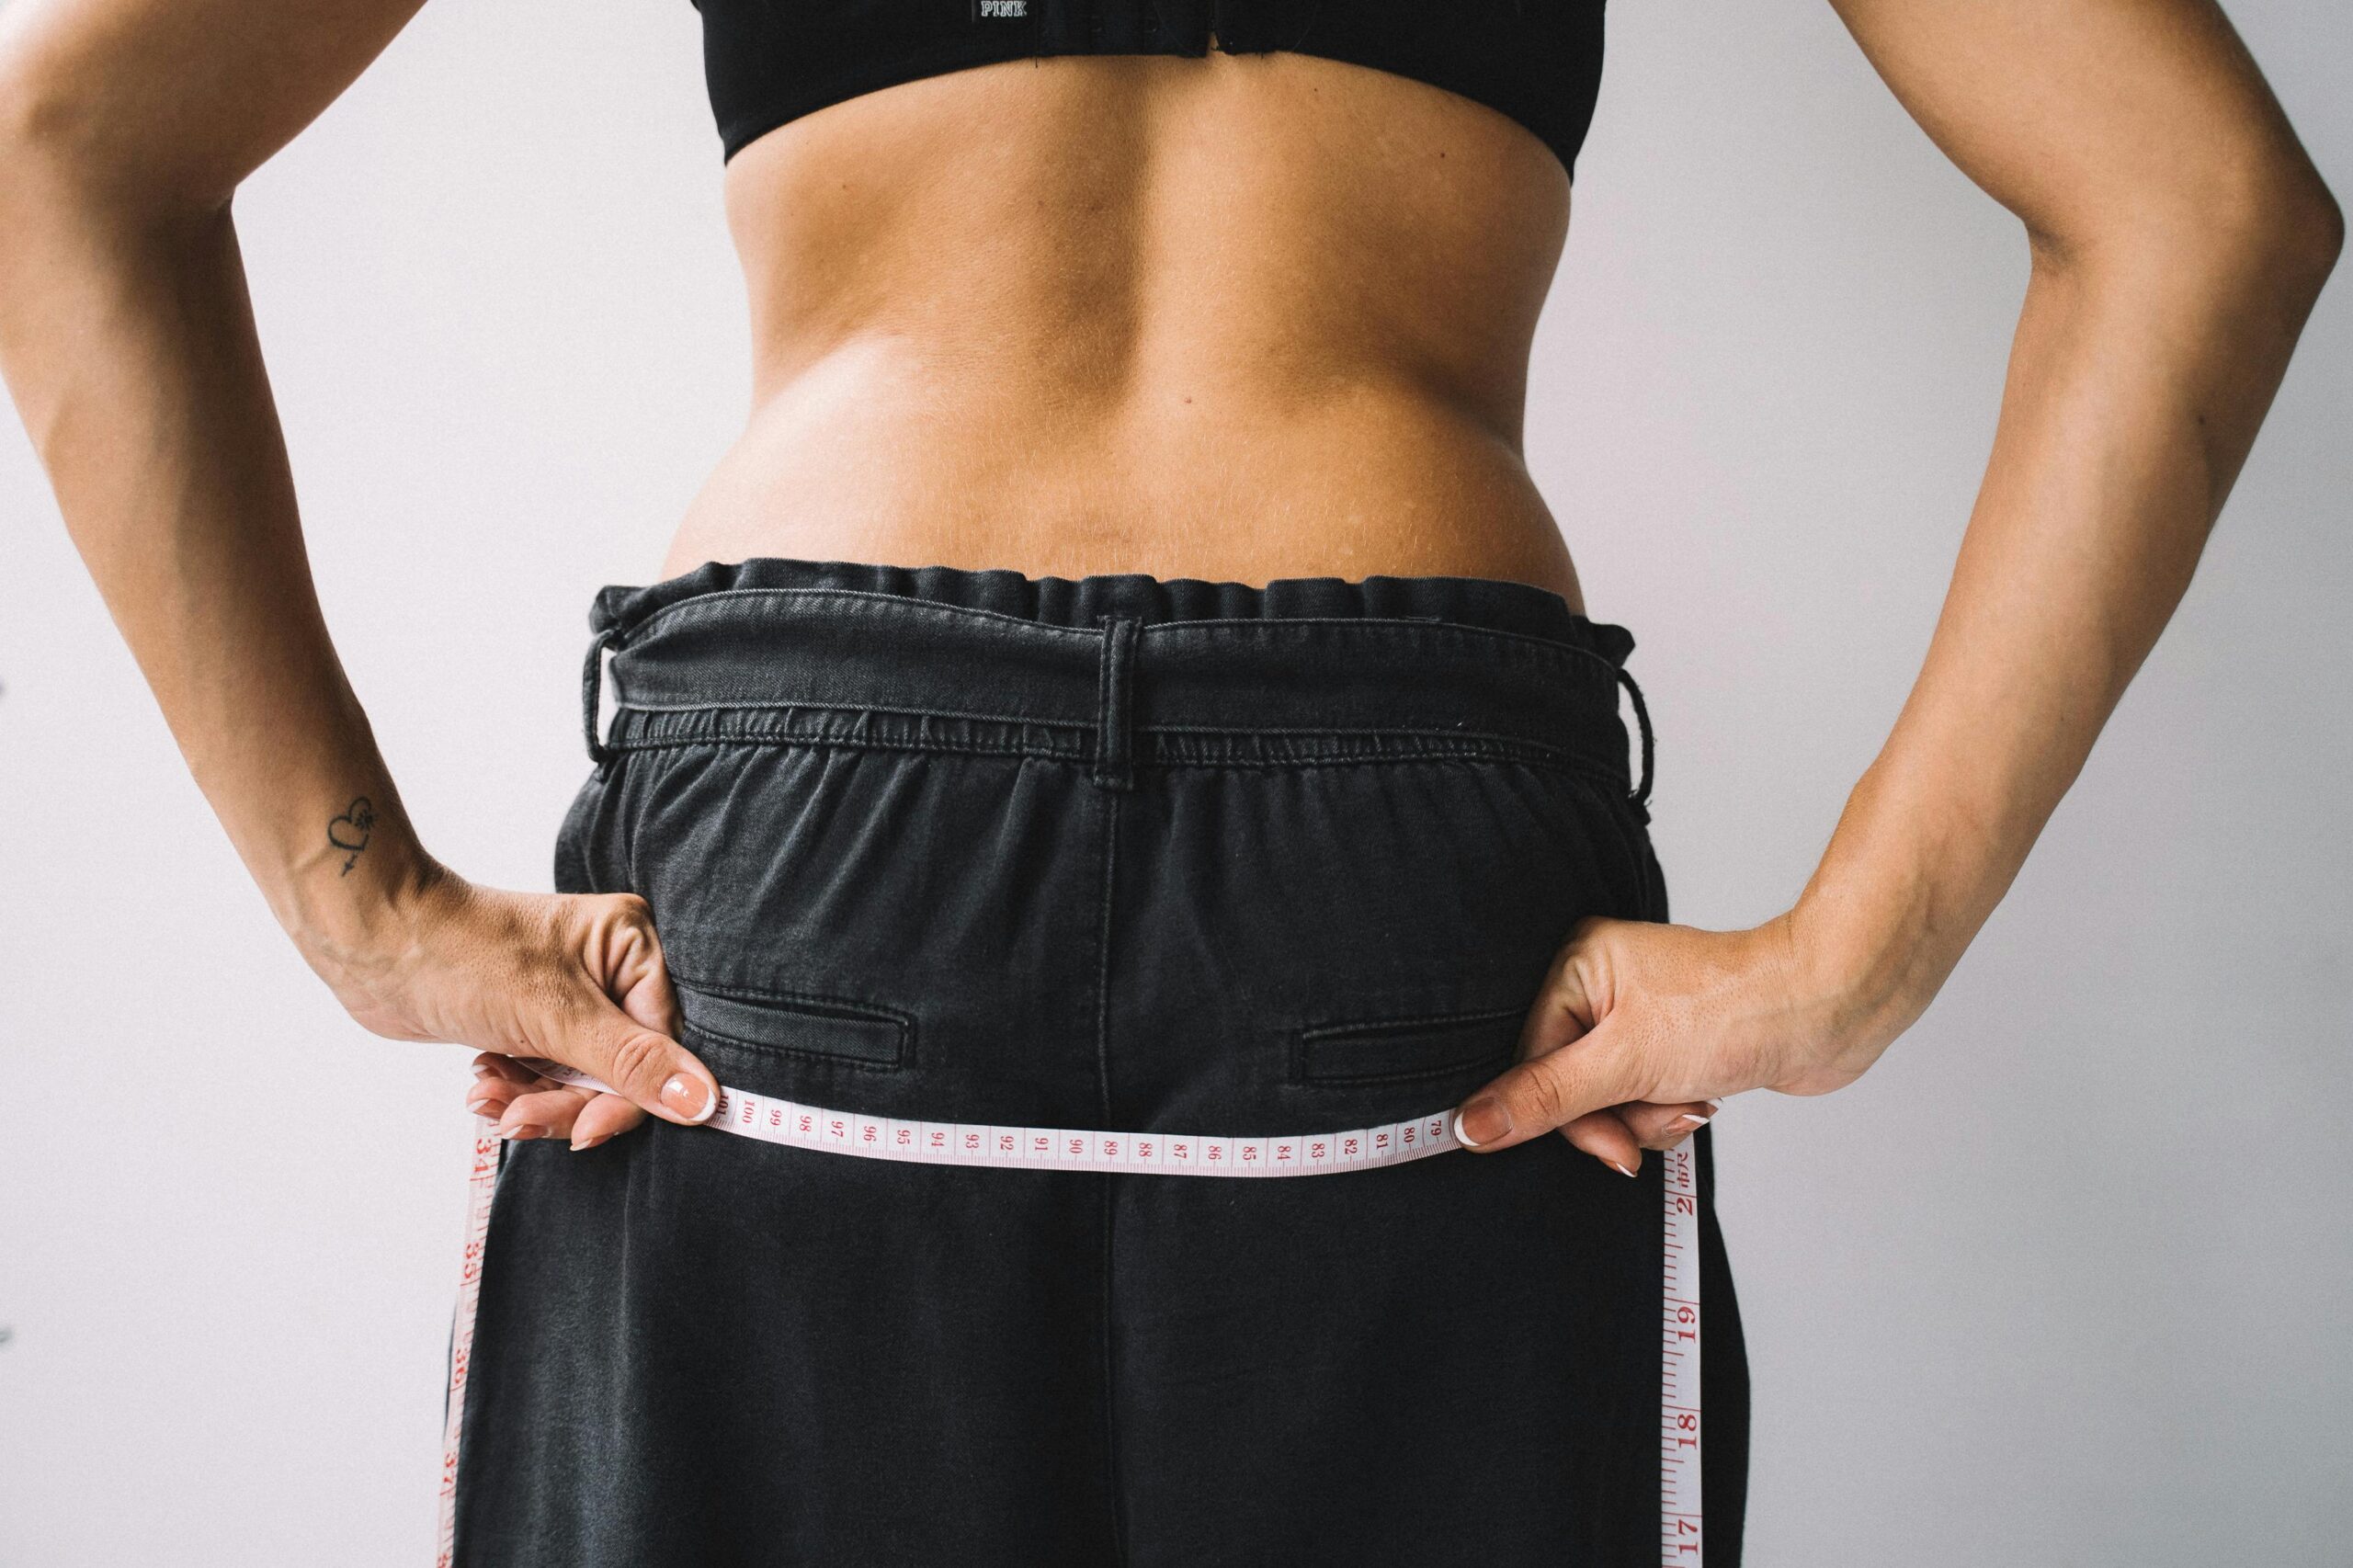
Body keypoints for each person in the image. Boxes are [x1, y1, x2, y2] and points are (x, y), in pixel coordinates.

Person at [0, 0, 2336, 1562]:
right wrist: (1853, 962)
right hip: (1401, 864)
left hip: (817, 856)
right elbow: (2201, 198)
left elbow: (66, 146)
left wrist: (358, 904)